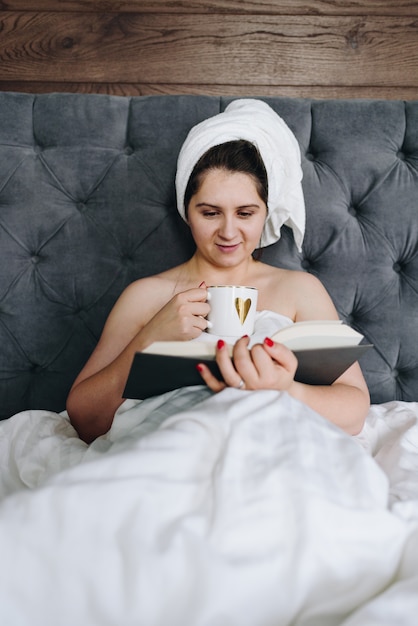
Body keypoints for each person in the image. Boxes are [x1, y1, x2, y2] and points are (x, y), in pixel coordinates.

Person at [67, 101, 370, 443]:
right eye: (210, 213)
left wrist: (286, 390)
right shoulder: (146, 295)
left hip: (274, 446)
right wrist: (149, 339)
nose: (228, 232)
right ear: (187, 210)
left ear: (266, 213)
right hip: (175, 446)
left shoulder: (300, 290)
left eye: (245, 213)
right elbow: (84, 419)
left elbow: (356, 409)